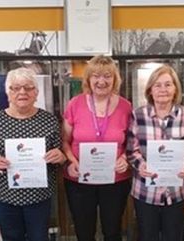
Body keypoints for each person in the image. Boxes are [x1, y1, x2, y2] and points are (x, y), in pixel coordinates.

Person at [0, 67, 66, 241]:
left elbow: (60, 154)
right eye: (15, 88)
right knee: (11, 238)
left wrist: (60, 156)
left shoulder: (49, 120)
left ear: (36, 93)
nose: (22, 92)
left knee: (39, 238)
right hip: (5, 195)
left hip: (40, 196)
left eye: (28, 87)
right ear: (8, 93)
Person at [62, 55, 132, 241]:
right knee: (84, 233)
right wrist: (71, 160)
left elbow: (132, 142)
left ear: (115, 79)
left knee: (113, 231)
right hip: (80, 180)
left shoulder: (126, 107)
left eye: (107, 75)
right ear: (88, 79)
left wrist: (124, 157)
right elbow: (64, 140)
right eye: (96, 76)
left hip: (115, 181)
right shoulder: (74, 104)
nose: (102, 81)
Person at [126, 65, 184, 241]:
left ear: (175, 89)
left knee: (173, 236)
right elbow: (131, 150)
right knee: (147, 235)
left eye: (168, 84)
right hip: (145, 190)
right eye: (157, 85)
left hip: (176, 191)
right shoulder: (138, 115)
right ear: (150, 89)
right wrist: (140, 166)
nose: (163, 90)